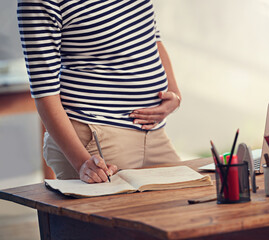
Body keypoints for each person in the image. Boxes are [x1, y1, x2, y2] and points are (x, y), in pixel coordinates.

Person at [17, 0, 181, 183]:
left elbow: (150, 35)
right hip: (96, 136)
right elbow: (44, 90)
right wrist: (82, 163)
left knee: (190, 204)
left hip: (155, 133)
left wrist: (174, 93)